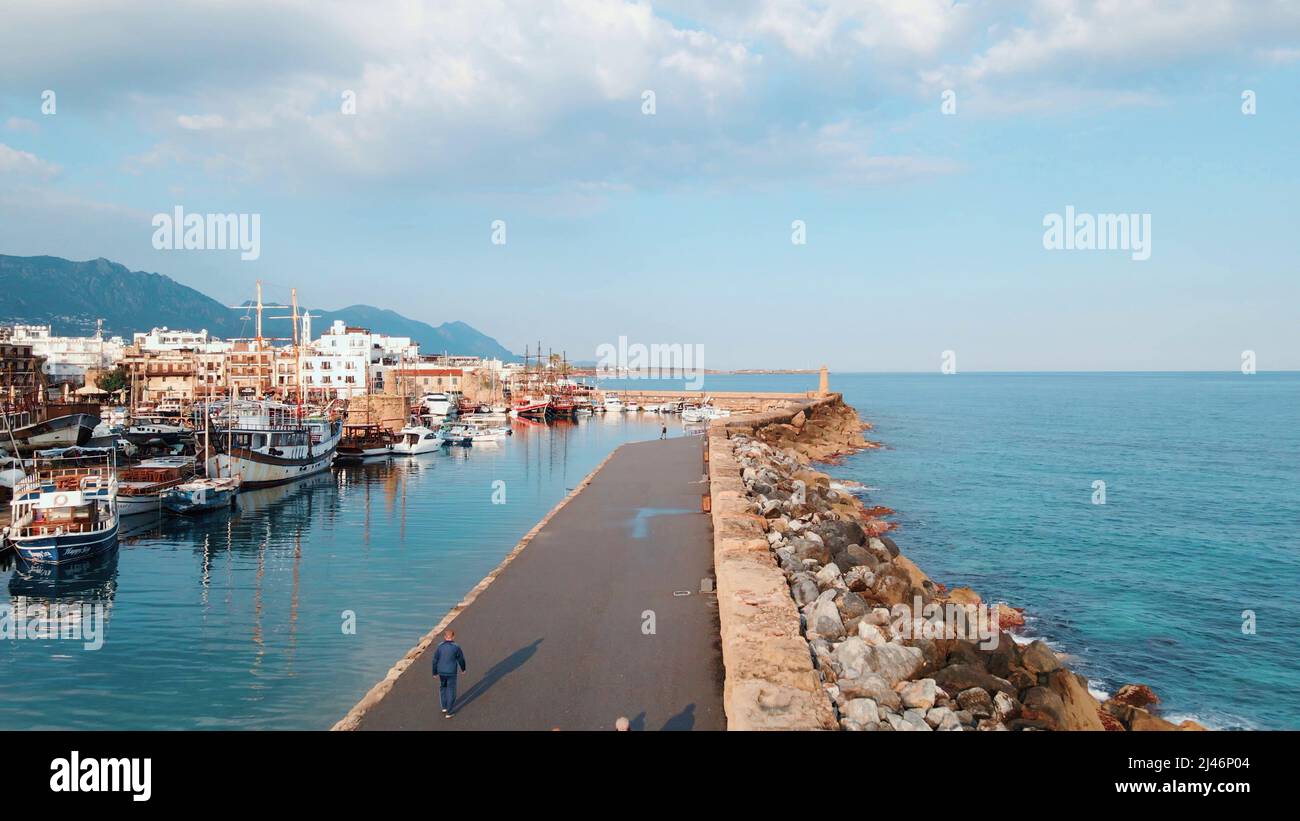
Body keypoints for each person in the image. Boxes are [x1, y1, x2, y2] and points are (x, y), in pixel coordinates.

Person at [432, 628, 467, 718]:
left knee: (443, 688)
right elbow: (461, 659)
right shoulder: (456, 647)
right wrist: (463, 669)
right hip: (451, 672)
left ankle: (444, 707)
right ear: (453, 636)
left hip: (441, 672)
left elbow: (435, 660)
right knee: (451, 690)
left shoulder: (439, 646)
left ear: (444, 637)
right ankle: (449, 712)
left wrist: (434, 672)